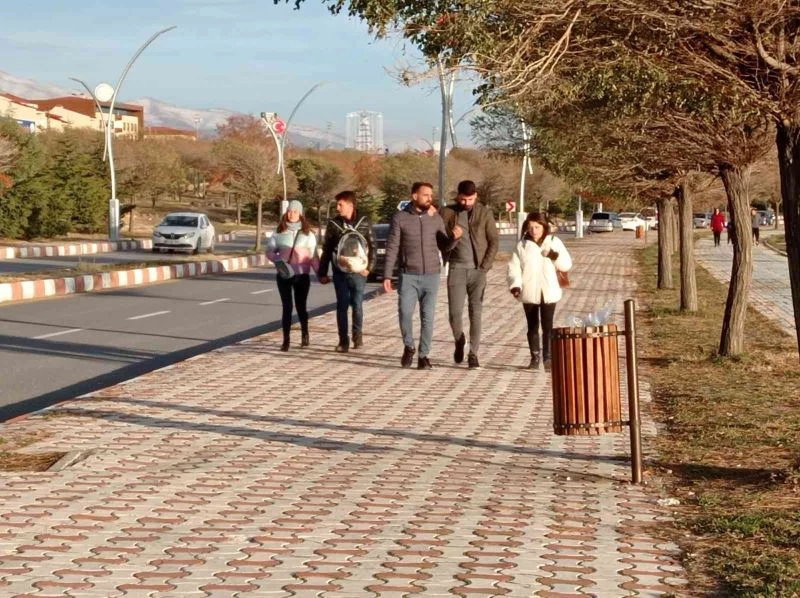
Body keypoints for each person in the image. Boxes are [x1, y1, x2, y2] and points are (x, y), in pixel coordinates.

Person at [383, 182, 459, 369]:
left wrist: (454, 238)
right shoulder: (400, 218)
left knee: (428, 317)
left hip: (432, 275)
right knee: (405, 313)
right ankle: (409, 346)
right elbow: (392, 247)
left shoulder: (435, 218)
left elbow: (444, 245)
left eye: (431, 195)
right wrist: (387, 275)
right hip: (408, 275)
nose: (429, 198)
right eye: (425, 195)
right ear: (414, 196)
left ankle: (424, 355)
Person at [440, 180, 499, 369]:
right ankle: (459, 339)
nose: (466, 203)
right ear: (458, 196)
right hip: (456, 268)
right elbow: (441, 244)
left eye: (470, 199)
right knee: (454, 313)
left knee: (476, 312)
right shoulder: (447, 213)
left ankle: (473, 353)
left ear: (476, 196)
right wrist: (453, 237)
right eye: (463, 199)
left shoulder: (485, 213)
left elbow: (494, 241)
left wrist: (485, 266)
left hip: (478, 270)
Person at [507, 212, 573, 371]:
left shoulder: (554, 242)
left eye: (537, 227)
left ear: (544, 226)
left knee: (548, 326)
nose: (534, 231)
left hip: (549, 291)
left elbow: (566, 264)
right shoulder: (522, 245)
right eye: (530, 227)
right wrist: (515, 285)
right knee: (532, 326)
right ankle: (534, 358)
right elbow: (514, 267)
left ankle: (548, 358)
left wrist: (553, 255)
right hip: (529, 291)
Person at [318, 190, 376, 353]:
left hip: (359, 272)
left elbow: (372, 246)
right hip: (340, 271)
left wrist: (369, 268)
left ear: (350, 205)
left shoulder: (364, 222)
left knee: (357, 304)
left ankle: (358, 337)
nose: (337, 207)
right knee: (342, 305)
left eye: (340, 204)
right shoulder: (334, 224)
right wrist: (322, 273)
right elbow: (327, 249)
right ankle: (343, 340)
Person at [266, 200, 319, 351]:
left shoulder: (308, 234)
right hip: (284, 275)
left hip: (302, 275)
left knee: (301, 306)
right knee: (287, 307)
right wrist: (278, 260)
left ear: (300, 213)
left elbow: (314, 257)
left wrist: (320, 274)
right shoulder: (279, 232)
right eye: (289, 211)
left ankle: (305, 334)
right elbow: (269, 251)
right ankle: (286, 340)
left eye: (295, 211)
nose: (291, 214)